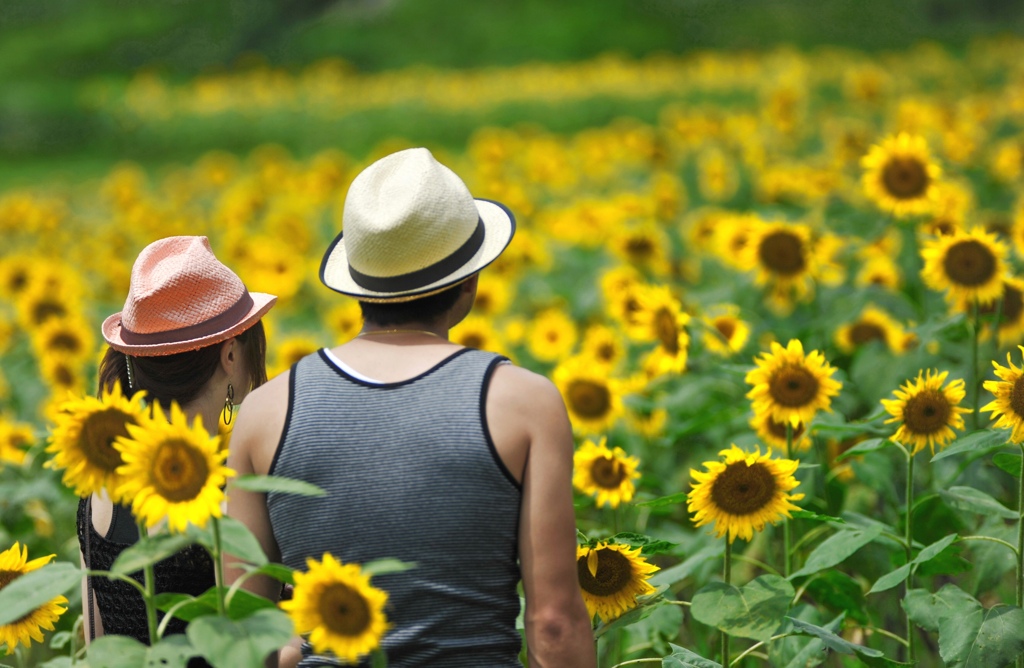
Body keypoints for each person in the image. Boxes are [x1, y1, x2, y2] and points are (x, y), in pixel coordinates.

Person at [226, 147, 596, 667]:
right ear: (468, 282)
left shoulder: (265, 411)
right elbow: (553, 623)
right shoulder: (523, 402)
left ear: (360, 287)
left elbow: (243, 627)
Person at [78, 235, 277, 657]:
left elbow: (96, 646)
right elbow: (256, 654)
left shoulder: (99, 483)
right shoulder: (218, 502)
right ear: (229, 354)